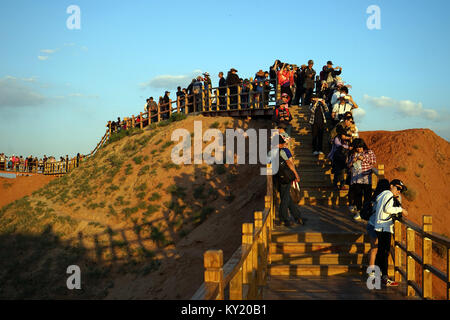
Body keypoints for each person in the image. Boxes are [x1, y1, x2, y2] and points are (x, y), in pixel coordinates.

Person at [373, 179, 409, 286]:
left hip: (379, 226)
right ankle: (384, 277)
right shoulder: (388, 194)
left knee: (381, 252)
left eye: (400, 190)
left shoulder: (383, 194)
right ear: (391, 186)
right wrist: (401, 209)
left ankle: (377, 277)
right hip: (384, 227)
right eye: (397, 188)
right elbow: (387, 209)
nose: (399, 191)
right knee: (384, 253)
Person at [270, 133, 304, 227]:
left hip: (276, 178)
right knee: (285, 199)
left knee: (286, 197)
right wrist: (296, 175)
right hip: (285, 177)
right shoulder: (282, 151)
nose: (283, 144)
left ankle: (297, 216)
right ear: (280, 144)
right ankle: (284, 218)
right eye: (282, 143)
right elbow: (289, 163)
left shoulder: (270, 152)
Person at [347, 138, 376, 220]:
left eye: (360, 147)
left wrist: (363, 159)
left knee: (367, 196)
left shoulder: (369, 152)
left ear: (363, 146)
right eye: (357, 148)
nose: (359, 149)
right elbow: (348, 165)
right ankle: (358, 212)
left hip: (366, 177)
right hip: (356, 178)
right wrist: (353, 161)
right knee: (357, 196)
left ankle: (366, 212)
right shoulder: (353, 154)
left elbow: (373, 161)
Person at [366, 178, 390, 275]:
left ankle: (372, 269)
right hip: (378, 226)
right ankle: (373, 270)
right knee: (377, 248)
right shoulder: (384, 198)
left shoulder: (375, 197)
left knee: (374, 248)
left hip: (371, 224)